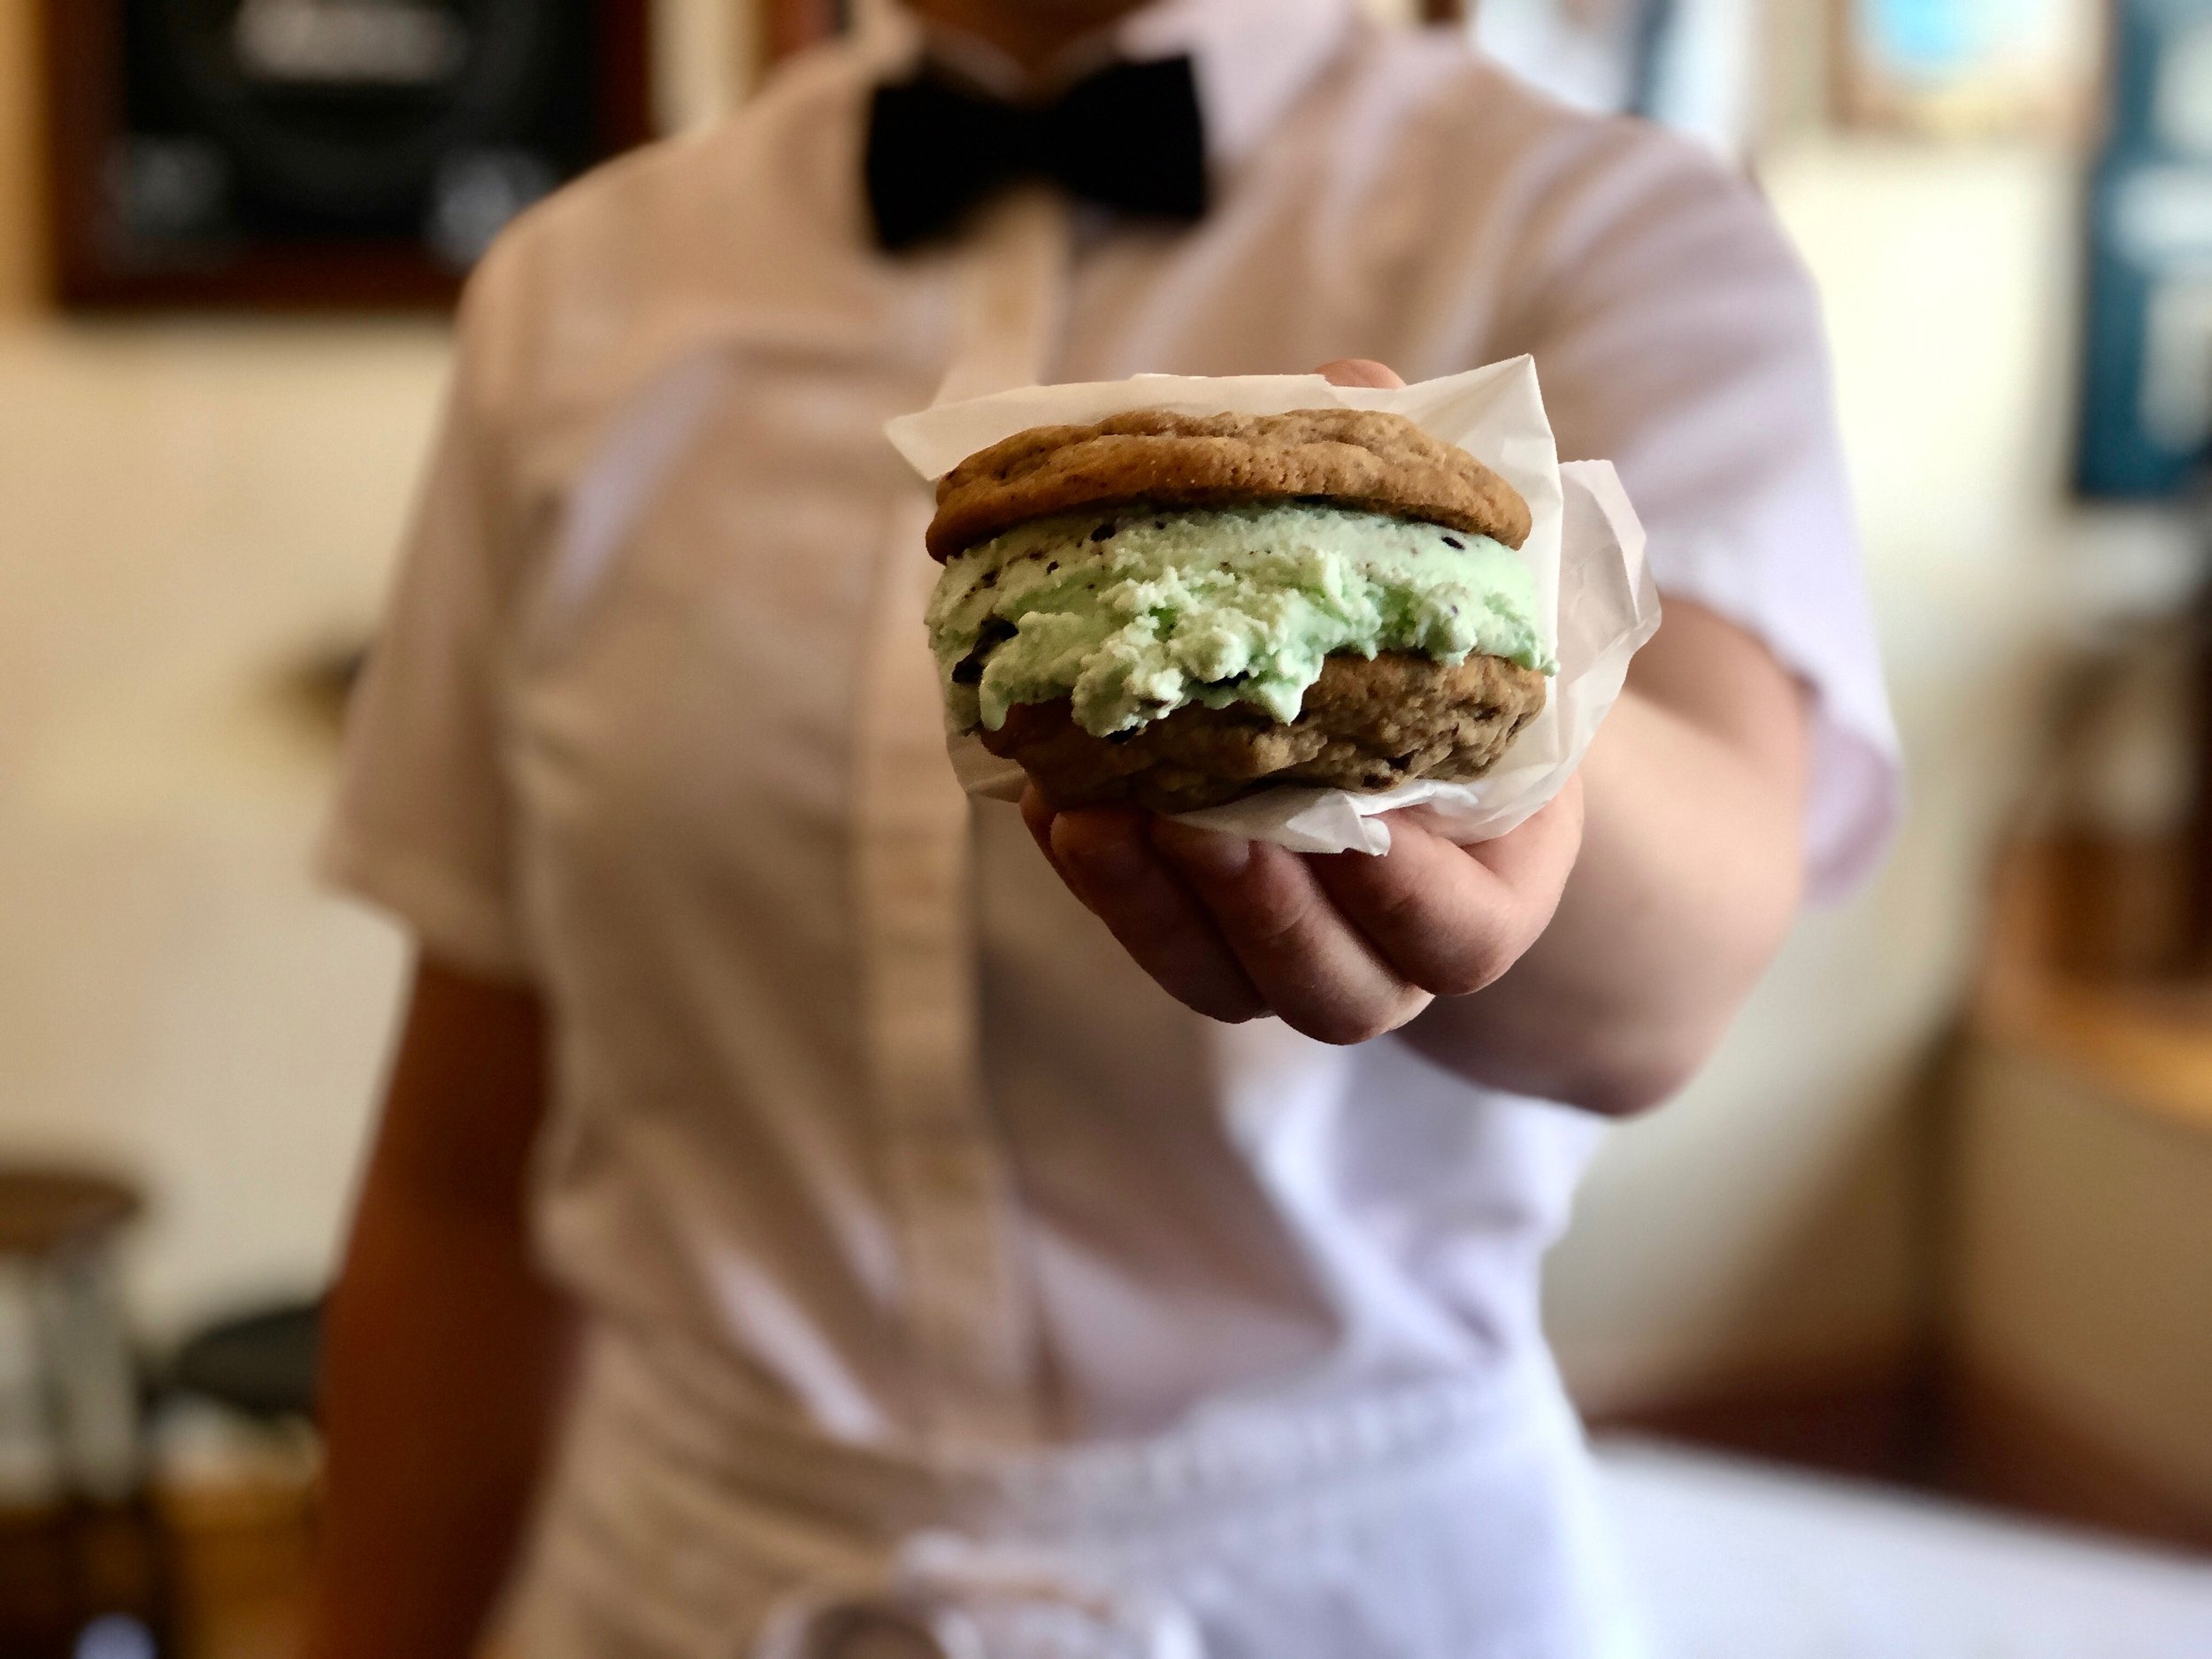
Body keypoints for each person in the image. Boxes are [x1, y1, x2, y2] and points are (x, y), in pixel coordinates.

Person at [301, 0, 1899, 1653]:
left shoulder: (1612, 222)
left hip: (1355, 1584)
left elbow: (1686, 961)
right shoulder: (573, 289)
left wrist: (1510, 763)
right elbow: (468, 1173)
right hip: (686, 1582)